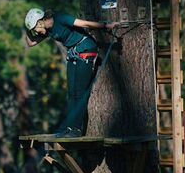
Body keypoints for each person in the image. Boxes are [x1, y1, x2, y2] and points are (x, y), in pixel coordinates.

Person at [25, 8, 119, 137]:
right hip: (74, 54)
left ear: (40, 21)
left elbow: (84, 24)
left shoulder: (60, 18)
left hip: (86, 48)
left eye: (35, 28)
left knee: (79, 93)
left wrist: (105, 26)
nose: (35, 32)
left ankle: (76, 129)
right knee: (71, 93)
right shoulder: (47, 31)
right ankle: (69, 128)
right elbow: (31, 43)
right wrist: (25, 26)